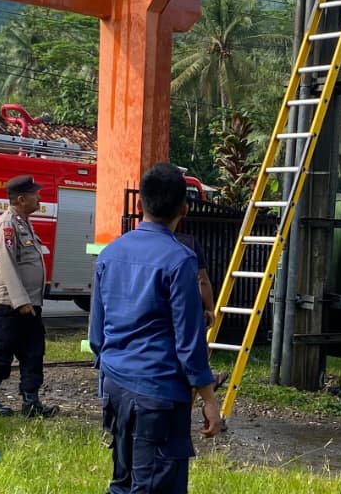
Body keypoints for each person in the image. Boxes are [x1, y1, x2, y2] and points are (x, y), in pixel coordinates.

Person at [90, 162, 223, 494]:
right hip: (159, 395)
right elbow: (189, 343)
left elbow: (97, 333)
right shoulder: (180, 260)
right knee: (157, 485)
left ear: (139, 206)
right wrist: (208, 399)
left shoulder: (110, 254)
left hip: (115, 386)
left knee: (122, 482)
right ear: (184, 209)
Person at [0, 174, 60, 419]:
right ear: (21, 199)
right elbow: (7, 264)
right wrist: (20, 300)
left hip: (29, 305)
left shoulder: (24, 222)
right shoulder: (7, 225)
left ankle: (31, 402)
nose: (40, 197)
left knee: (33, 353)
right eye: (35, 194)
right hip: (8, 306)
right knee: (2, 354)